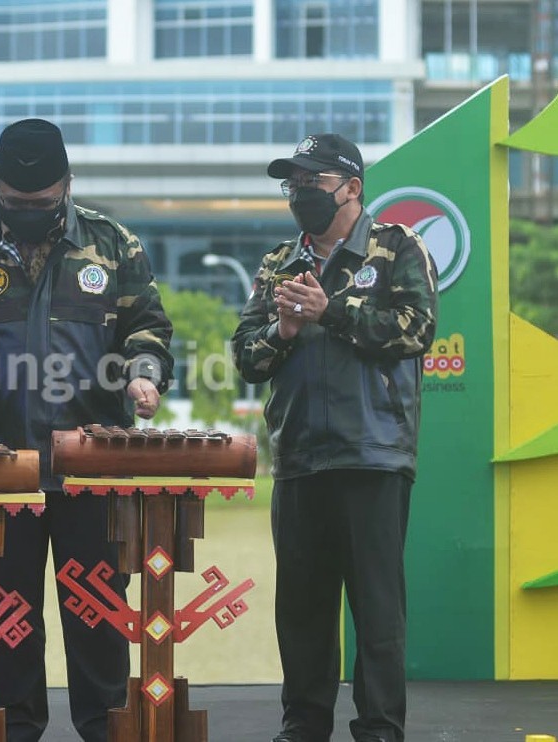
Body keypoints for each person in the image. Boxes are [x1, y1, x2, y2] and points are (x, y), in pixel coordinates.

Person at [0, 118, 175, 741]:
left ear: (68, 185)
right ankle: (17, 731)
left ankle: (106, 731)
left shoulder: (113, 244)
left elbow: (149, 329)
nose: (29, 211)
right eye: (16, 202)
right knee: (7, 623)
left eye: (44, 202)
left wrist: (142, 374)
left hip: (92, 469)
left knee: (101, 623)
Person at [230, 134, 438, 742]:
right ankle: (303, 724)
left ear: (350, 186)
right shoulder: (277, 264)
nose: (299, 193)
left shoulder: (397, 246)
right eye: (291, 182)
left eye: (311, 181)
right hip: (297, 456)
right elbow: (246, 355)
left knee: (376, 609)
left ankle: (378, 728)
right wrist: (287, 326)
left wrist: (333, 312)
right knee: (301, 607)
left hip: (372, 453)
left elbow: (416, 329)